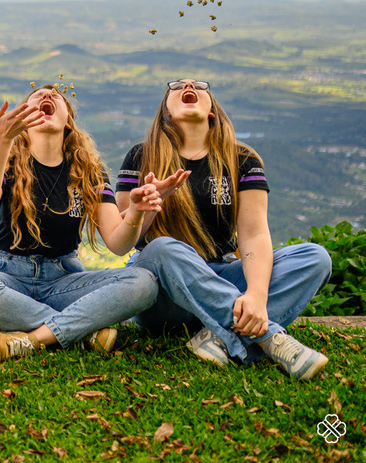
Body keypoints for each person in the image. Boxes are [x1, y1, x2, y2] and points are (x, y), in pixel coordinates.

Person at [117, 79, 332, 379]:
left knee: (315, 258)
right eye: (177, 86)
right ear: (165, 111)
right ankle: (268, 337)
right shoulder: (141, 157)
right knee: (163, 247)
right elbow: (127, 241)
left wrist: (256, 294)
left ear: (212, 110)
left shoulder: (242, 159)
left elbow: (254, 235)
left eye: (198, 86)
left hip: (220, 273)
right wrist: (146, 207)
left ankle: (217, 335)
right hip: (165, 294)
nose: (188, 85)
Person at [0, 86, 160, 363]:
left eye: (55, 95)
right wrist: (2, 140)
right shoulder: (8, 160)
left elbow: (118, 243)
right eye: (36, 96)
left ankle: (36, 337)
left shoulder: (89, 170)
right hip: (6, 275)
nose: (46, 96)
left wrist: (135, 212)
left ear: (68, 122)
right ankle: (83, 332)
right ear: (24, 120)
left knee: (143, 282)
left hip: (64, 280)